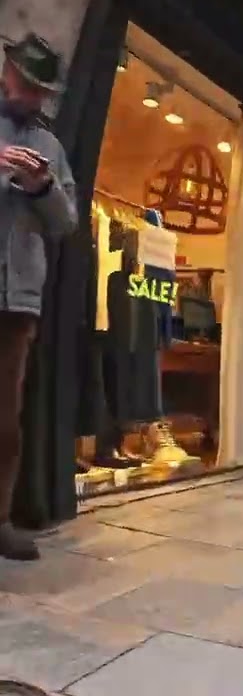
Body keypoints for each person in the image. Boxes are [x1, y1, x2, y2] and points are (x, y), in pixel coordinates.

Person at [0, 33, 77, 561]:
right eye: (25, 84)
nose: (30, 97)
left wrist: (41, 187)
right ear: (7, 72)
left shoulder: (51, 148)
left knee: (5, 420)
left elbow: (66, 223)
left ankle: (0, 519)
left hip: (17, 301)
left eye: (40, 91)